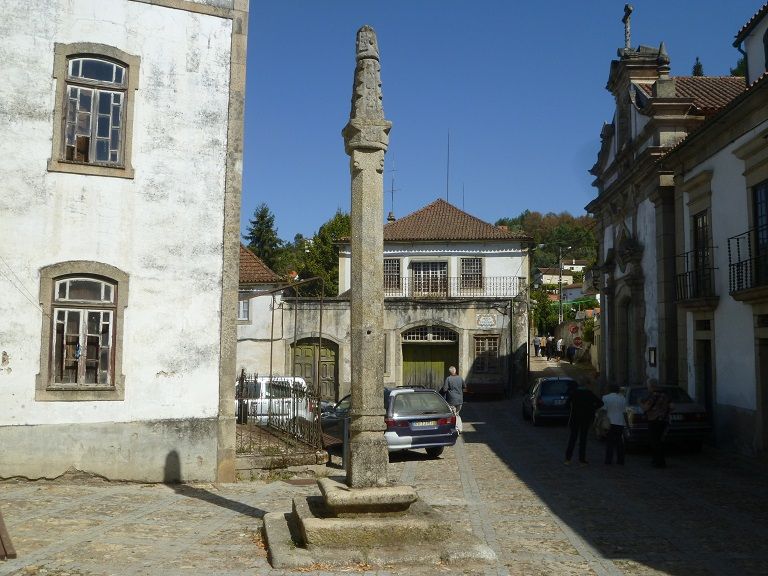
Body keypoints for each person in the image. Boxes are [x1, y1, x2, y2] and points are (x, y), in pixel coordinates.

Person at [565, 380, 603, 465]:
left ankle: (568, 458)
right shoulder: (589, 393)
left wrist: (572, 409)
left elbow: (566, 404)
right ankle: (582, 459)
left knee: (572, 438)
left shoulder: (574, 393)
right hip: (586, 418)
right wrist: (592, 409)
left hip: (575, 418)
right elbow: (600, 403)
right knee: (583, 439)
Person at [641, 378, 670, 468]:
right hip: (663, 420)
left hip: (654, 420)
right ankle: (661, 461)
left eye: (648, 386)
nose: (647, 388)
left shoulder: (653, 396)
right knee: (660, 441)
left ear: (651, 386)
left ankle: (658, 462)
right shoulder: (665, 395)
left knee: (654, 441)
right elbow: (672, 406)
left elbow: (646, 408)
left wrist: (640, 403)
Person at [601, 384, 627, 465]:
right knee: (619, 442)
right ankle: (620, 460)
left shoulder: (605, 397)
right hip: (620, 422)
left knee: (609, 443)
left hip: (609, 422)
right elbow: (624, 411)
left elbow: (604, 410)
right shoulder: (622, 398)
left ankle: (608, 460)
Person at [441, 366, 465, 433]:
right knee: (457, 414)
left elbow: (444, 389)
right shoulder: (460, 378)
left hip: (451, 401)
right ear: (455, 371)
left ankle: (457, 429)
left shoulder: (448, 379)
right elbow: (464, 386)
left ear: (450, 372)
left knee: (454, 415)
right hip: (460, 400)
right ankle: (459, 428)